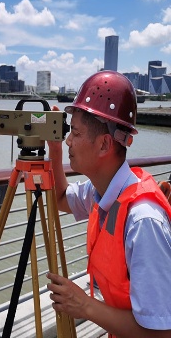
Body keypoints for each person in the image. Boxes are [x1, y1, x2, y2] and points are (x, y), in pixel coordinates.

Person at [46, 70, 171, 338]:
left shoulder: (143, 222)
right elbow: (59, 199)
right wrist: (54, 151)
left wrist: (85, 306)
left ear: (104, 145)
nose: (68, 140)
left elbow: (161, 334)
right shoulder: (100, 190)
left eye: (75, 133)